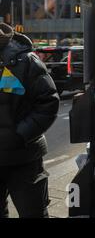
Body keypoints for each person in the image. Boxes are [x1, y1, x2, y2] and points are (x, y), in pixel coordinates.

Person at [0, 22, 59, 218]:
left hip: (24, 159)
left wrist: (20, 134)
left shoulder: (25, 60)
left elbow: (48, 102)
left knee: (34, 214)